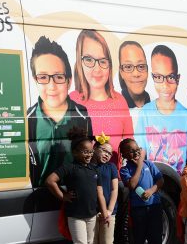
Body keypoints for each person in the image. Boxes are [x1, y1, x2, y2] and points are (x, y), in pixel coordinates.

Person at [27, 36, 93, 187]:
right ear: (35, 80)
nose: (51, 86)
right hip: (42, 195)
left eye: (58, 77)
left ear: (69, 81)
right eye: (43, 77)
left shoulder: (82, 115)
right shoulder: (28, 119)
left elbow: (89, 156)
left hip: (75, 196)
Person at [70, 29, 134, 169]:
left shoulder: (119, 100)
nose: (97, 69)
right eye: (88, 60)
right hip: (85, 180)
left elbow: (130, 143)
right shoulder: (72, 100)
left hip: (113, 180)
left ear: (109, 64)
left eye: (102, 61)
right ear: (79, 63)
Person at [135, 44, 187, 174]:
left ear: (178, 79)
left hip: (177, 182)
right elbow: (140, 151)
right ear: (152, 77)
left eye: (170, 77)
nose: (165, 85)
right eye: (158, 77)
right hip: (152, 179)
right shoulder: (146, 113)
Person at [46, 127, 100, 244]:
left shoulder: (93, 168)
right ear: (75, 152)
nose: (89, 155)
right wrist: (63, 196)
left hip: (92, 214)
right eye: (85, 152)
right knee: (80, 242)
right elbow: (50, 181)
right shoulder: (69, 167)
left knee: (91, 241)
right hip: (76, 215)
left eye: (91, 151)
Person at [119, 138, 164, 244]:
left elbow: (160, 180)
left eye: (137, 149)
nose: (136, 152)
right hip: (138, 209)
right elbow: (132, 184)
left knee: (156, 237)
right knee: (139, 237)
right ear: (124, 155)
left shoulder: (148, 164)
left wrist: (151, 191)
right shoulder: (125, 170)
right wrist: (139, 164)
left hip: (154, 206)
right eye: (131, 151)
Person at [92, 133, 118, 244]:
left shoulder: (111, 167)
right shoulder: (89, 167)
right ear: (95, 148)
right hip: (92, 212)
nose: (107, 155)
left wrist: (109, 210)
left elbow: (114, 189)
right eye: (104, 151)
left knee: (107, 241)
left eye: (110, 153)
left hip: (108, 212)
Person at [118, 41, 150, 128]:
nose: (136, 74)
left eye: (141, 66)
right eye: (128, 67)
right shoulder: (114, 108)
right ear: (121, 72)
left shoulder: (158, 105)